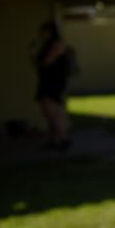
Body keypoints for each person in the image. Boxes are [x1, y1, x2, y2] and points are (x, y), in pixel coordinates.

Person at [32, 21, 73, 150]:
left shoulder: (57, 44)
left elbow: (46, 62)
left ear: (50, 31)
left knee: (53, 110)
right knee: (48, 110)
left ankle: (63, 138)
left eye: (44, 31)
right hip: (46, 80)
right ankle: (56, 138)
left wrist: (37, 57)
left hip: (54, 82)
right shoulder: (45, 45)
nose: (42, 34)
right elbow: (37, 64)